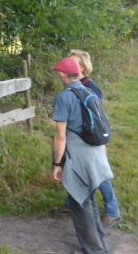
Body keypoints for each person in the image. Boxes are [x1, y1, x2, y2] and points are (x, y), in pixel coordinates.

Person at [52, 57, 113, 254]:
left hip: (78, 157)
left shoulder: (63, 97)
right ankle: (100, 247)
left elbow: (61, 136)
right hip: (96, 153)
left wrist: (56, 164)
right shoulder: (90, 92)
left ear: (62, 75)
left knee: (80, 203)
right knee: (89, 201)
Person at [52, 50, 123, 228]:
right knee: (73, 168)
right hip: (76, 141)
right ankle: (72, 203)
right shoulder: (74, 86)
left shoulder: (89, 87)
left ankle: (112, 210)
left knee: (98, 174)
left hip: (88, 140)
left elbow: (97, 116)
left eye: (73, 62)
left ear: (82, 67)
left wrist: (99, 143)